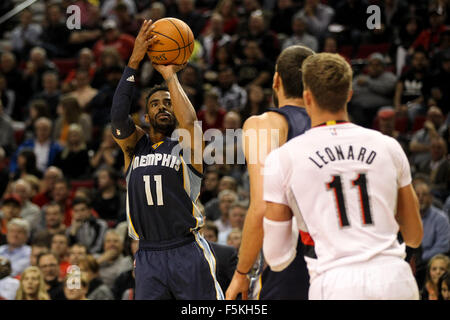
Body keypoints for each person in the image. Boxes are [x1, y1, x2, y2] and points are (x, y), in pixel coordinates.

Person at [262, 52, 423, 300]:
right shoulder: (388, 146)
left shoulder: (284, 158)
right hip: (394, 278)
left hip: (335, 282)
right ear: (349, 94)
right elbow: (413, 235)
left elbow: (277, 257)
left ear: (307, 97)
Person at [111, 20, 223, 300]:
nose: (162, 106)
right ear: (146, 117)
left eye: (168, 103)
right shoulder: (134, 148)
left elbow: (190, 121)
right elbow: (117, 117)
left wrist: (170, 75)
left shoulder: (186, 146)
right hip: (148, 253)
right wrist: (134, 60)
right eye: (155, 103)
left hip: (186, 248)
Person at [226, 45, 314, 301]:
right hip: (341, 258)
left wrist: (241, 273)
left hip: (293, 260)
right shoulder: (338, 126)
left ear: (276, 80)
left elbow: (263, 205)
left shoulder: (264, 124)